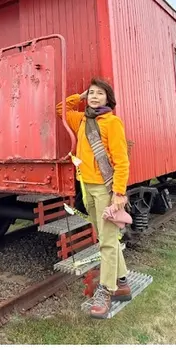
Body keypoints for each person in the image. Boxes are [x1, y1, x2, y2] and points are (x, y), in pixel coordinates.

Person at [57, 79, 131, 319]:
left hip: (105, 189)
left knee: (107, 241)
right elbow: (60, 110)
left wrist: (118, 193)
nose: (94, 97)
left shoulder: (112, 122)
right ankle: (122, 283)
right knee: (105, 236)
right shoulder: (82, 120)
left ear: (108, 99)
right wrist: (79, 95)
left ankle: (106, 291)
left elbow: (121, 161)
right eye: (92, 94)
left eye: (100, 94)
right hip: (87, 188)